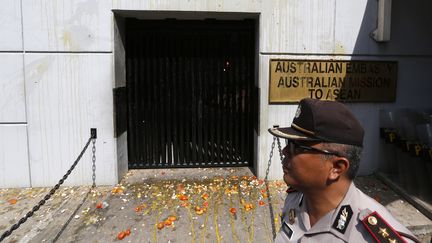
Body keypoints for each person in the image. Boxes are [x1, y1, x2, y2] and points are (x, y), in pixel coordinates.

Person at [268, 98, 419, 243]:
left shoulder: (370, 235)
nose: (285, 151)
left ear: (337, 167)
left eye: (298, 147)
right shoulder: (295, 198)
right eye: (288, 142)